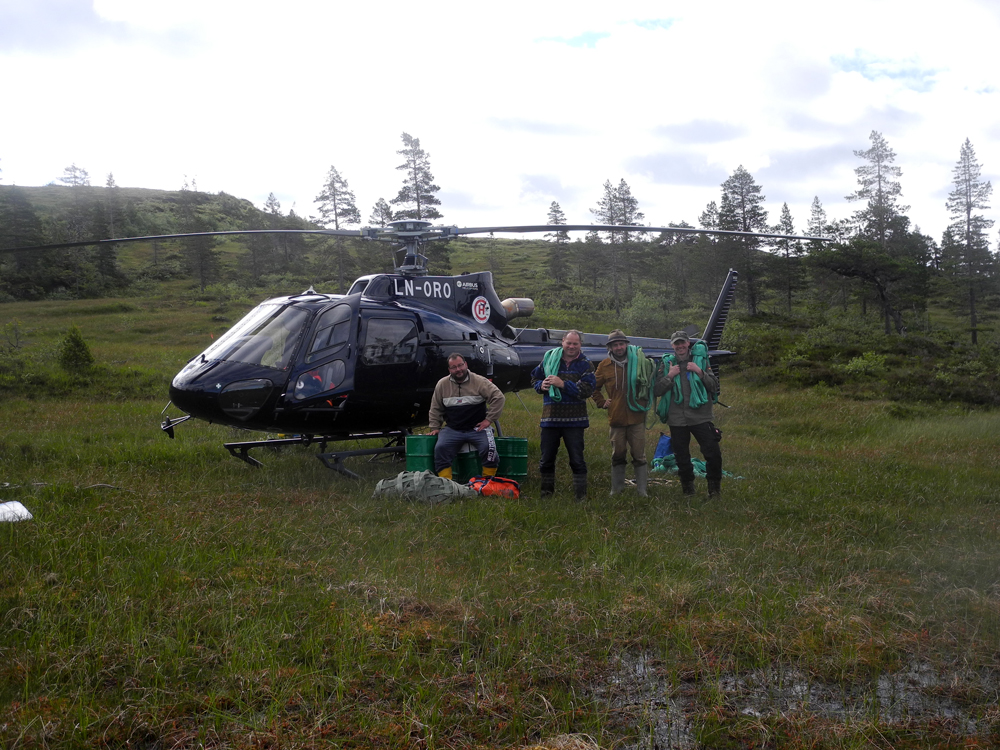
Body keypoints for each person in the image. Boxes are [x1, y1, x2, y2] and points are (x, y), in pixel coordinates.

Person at [654, 331, 723, 498]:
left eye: (682, 342)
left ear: (688, 343)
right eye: (676, 343)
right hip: (677, 419)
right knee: (681, 457)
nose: (680, 346)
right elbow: (656, 390)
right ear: (672, 346)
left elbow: (714, 386)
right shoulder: (667, 363)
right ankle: (688, 491)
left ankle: (714, 490)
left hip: (700, 416)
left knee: (713, 453)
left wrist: (700, 372)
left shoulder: (700, 360)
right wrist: (670, 376)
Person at [531, 330, 597, 500]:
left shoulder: (586, 364)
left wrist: (563, 384)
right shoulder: (549, 359)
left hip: (575, 421)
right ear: (562, 342)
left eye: (575, 343)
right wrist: (541, 385)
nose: (571, 346)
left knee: (577, 459)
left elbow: (587, 390)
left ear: (580, 344)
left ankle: (580, 497)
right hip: (550, 419)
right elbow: (534, 378)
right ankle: (546, 495)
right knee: (546, 459)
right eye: (569, 343)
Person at [591, 329, 655, 497]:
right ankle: (617, 489)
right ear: (610, 348)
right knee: (618, 454)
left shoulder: (639, 362)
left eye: (621, 344)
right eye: (615, 345)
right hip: (616, 418)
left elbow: (650, 382)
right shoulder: (604, 365)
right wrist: (601, 402)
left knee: (639, 455)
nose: (618, 347)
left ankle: (642, 490)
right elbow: (593, 387)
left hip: (637, 416)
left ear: (626, 344)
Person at [428, 353, 505, 481]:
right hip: (453, 429)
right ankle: (446, 483)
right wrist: (435, 427)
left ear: (466, 365)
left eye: (460, 365)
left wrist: (489, 420)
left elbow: (499, 398)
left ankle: (487, 482)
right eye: (454, 367)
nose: (458, 369)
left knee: (489, 449)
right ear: (449, 370)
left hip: (477, 428)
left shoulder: (479, 381)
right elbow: (435, 407)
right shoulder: (442, 384)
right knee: (440, 448)